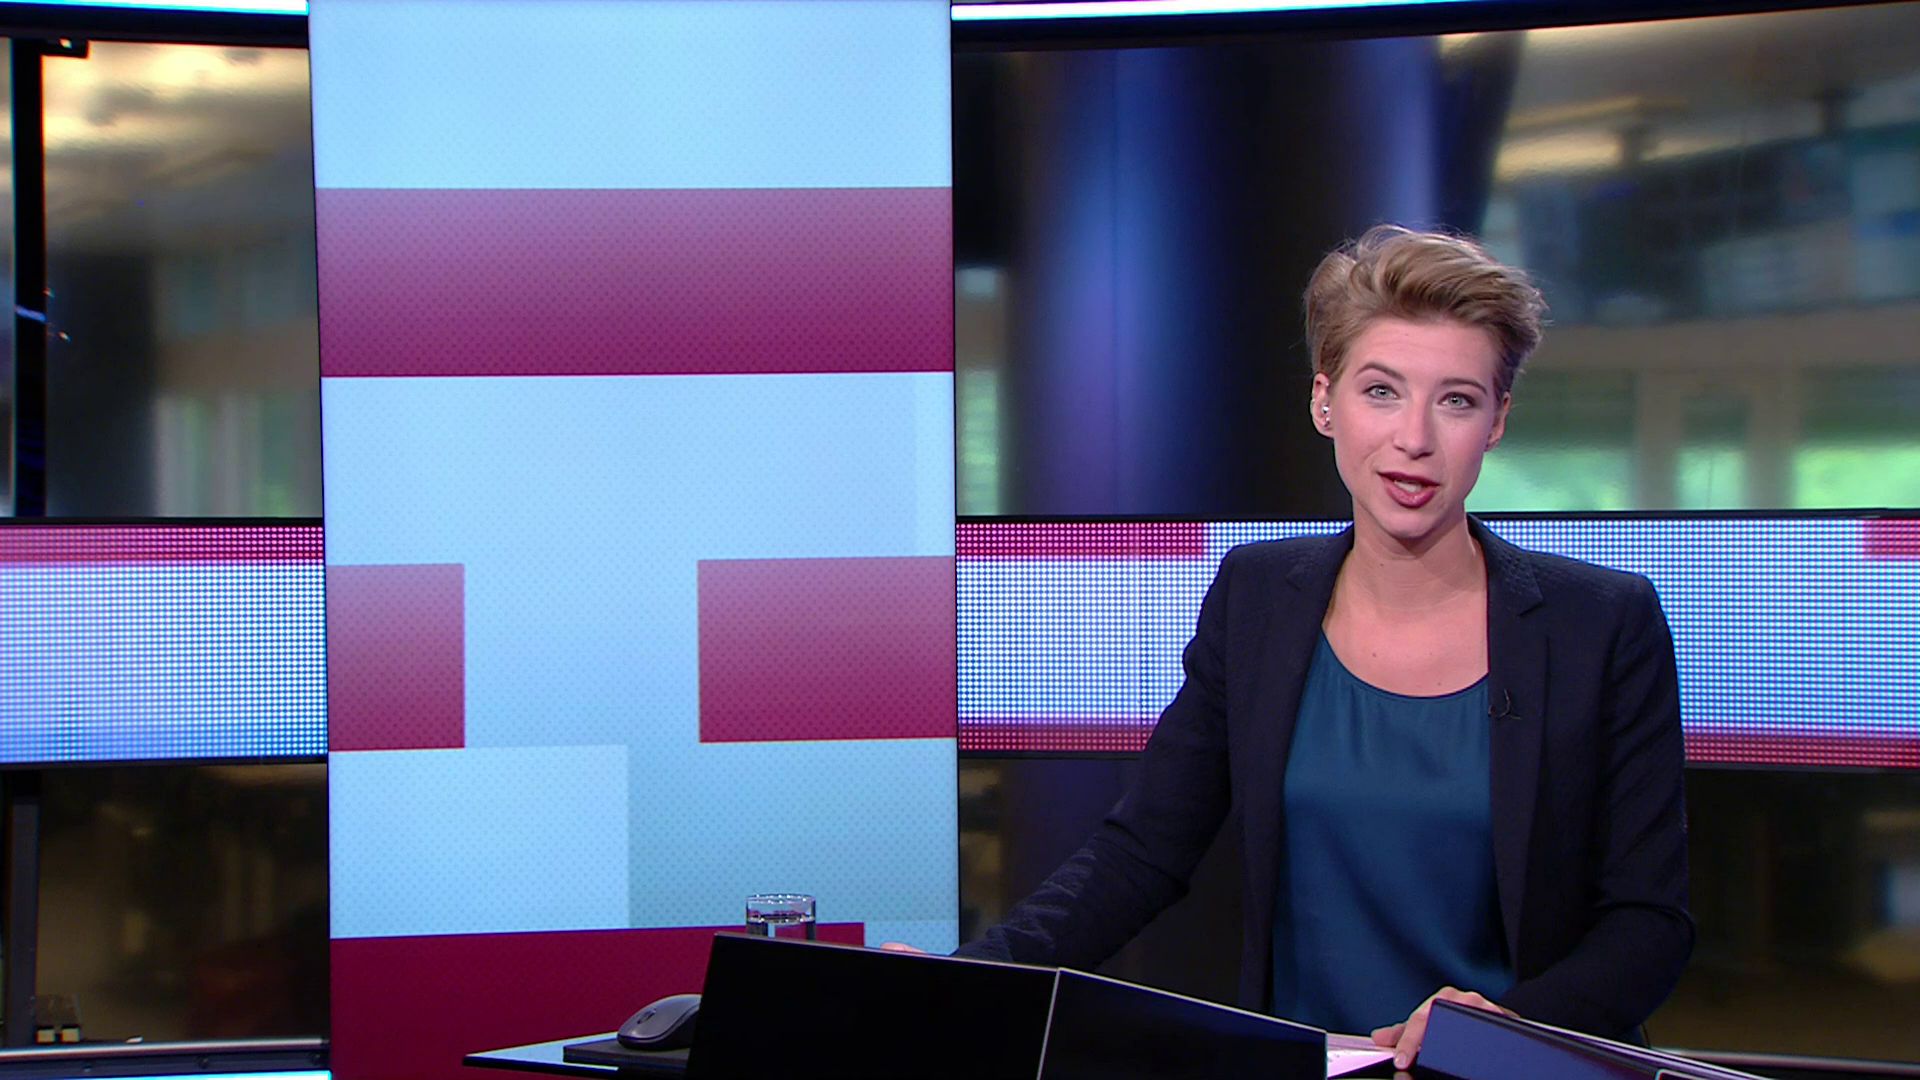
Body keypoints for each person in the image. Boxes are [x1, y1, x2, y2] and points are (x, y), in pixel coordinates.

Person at [946, 225, 1693, 1069]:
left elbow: (1649, 924)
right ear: (1324, 402)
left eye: (1456, 400)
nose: (1414, 438)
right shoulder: (1258, 598)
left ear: (1496, 421)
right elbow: (1143, 852)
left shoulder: (1600, 623)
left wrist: (1501, 1030)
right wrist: (972, 981)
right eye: (1382, 391)